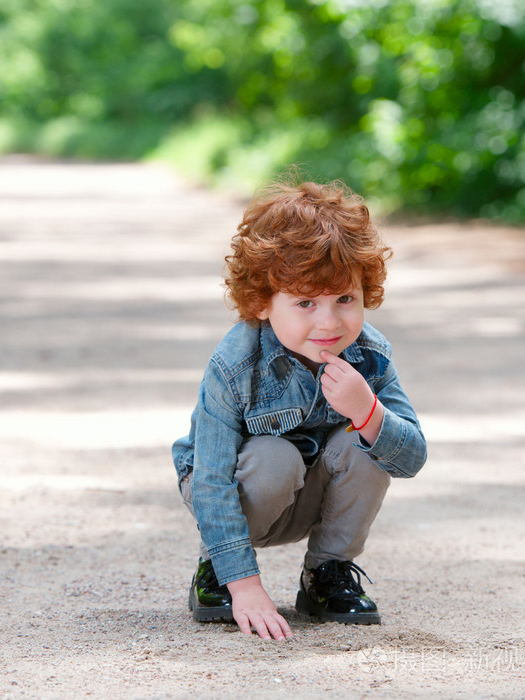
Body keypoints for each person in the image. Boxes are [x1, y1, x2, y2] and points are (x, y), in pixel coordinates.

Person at [172, 178, 427, 641]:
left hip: (312, 496)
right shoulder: (235, 365)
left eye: (344, 299)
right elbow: (208, 479)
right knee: (275, 455)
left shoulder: (370, 356)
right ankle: (218, 570)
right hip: (242, 493)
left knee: (362, 442)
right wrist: (245, 584)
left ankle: (325, 574)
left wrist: (367, 411)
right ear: (263, 303)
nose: (329, 322)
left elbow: (411, 459)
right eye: (305, 302)